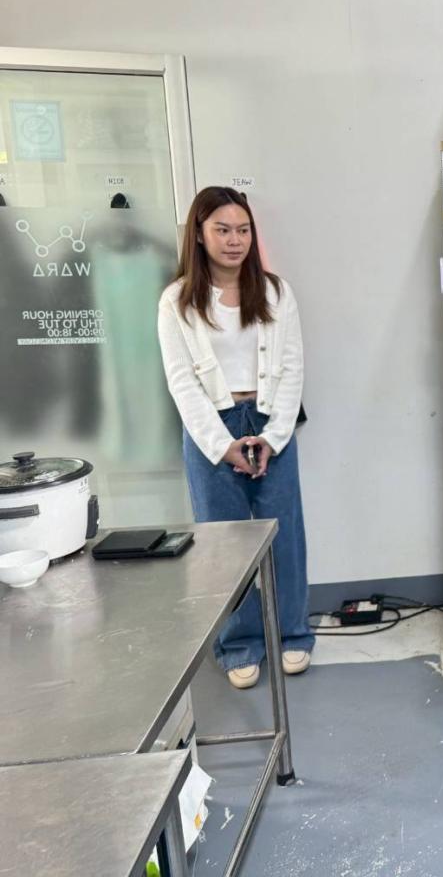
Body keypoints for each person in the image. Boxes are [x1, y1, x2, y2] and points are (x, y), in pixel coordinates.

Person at [157, 186, 314, 690]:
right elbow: (180, 381)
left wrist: (274, 436)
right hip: (212, 426)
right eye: (222, 230)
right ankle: (239, 643)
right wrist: (220, 444)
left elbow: (292, 366)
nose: (234, 240)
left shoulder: (275, 292)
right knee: (222, 541)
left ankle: (292, 633)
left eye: (243, 230)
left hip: (268, 419)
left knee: (284, 532)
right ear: (200, 235)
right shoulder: (177, 300)